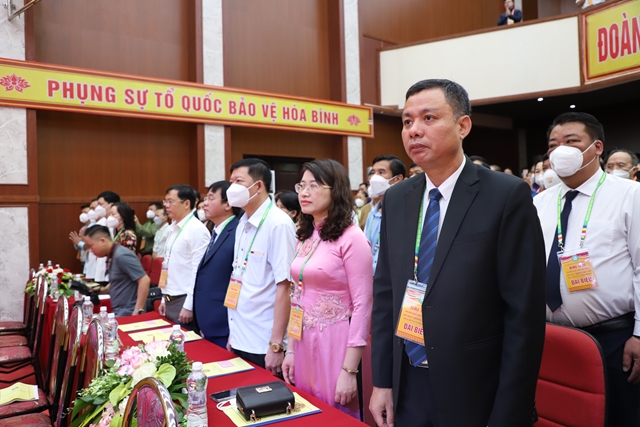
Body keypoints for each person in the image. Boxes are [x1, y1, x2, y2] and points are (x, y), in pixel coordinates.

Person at [370, 79, 546, 427]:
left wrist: (510, 412)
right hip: (408, 382)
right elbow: (387, 294)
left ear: (462, 126)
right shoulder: (397, 198)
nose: (414, 130)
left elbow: (523, 315)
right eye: (407, 121)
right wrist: (383, 381)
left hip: (475, 386)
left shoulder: (505, 195)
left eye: (429, 118)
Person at [533, 112, 640, 427]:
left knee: (620, 417)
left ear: (597, 147)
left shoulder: (630, 195)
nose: (560, 151)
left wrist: (639, 334)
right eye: (553, 144)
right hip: (554, 339)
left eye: (571, 141)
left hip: (614, 339)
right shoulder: (539, 202)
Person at [281, 159, 372, 418]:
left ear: (336, 190)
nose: (304, 192)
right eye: (301, 185)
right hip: (304, 340)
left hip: (337, 342)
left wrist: (349, 370)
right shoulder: (306, 235)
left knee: (336, 413)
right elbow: (297, 296)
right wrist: (290, 349)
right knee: (308, 411)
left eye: (314, 185)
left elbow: (363, 305)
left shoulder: (352, 238)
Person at [226, 158, 296, 374]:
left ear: (258, 186)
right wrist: (233, 334)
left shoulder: (278, 224)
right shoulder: (241, 223)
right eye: (231, 181)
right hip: (239, 334)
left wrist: (276, 345)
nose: (232, 187)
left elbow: (285, 287)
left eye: (239, 181)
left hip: (263, 341)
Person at [193, 181, 240, 348]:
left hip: (224, 322)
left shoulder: (238, 231)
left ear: (228, 204)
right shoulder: (216, 230)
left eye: (211, 198)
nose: (205, 203)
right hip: (208, 319)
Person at [158, 184, 210, 327]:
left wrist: (188, 306)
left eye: (170, 201)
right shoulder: (172, 228)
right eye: (165, 202)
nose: (166, 206)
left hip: (184, 300)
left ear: (186, 203)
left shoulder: (196, 230)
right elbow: (168, 264)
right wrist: (164, 298)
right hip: (170, 298)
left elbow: (197, 271)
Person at [84, 225, 150, 317]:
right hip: (119, 310)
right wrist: (102, 290)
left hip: (128, 311)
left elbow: (144, 280)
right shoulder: (113, 254)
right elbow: (120, 279)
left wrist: (137, 311)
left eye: (91, 246)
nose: (91, 250)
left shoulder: (122, 255)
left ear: (102, 241)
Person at [364, 155, 405, 275]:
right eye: (373, 172)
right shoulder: (372, 213)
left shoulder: (405, 213)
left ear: (397, 179)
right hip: (371, 277)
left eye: (381, 172)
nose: (375, 177)